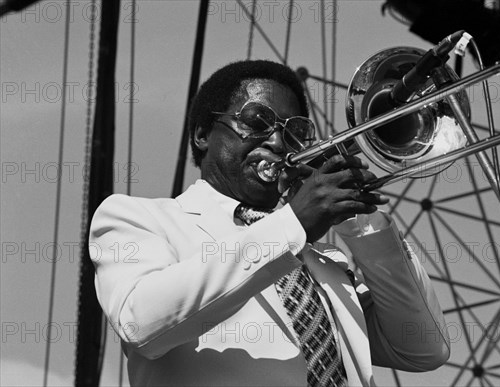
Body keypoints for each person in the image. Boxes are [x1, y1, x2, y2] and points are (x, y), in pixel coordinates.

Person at [90, 59, 450, 387]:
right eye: (257, 122)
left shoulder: (325, 265)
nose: (278, 142)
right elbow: (140, 324)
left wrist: (360, 219)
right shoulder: (138, 218)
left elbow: (423, 348)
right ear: (203, 133)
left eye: (294, 131)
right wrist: (293, 224)